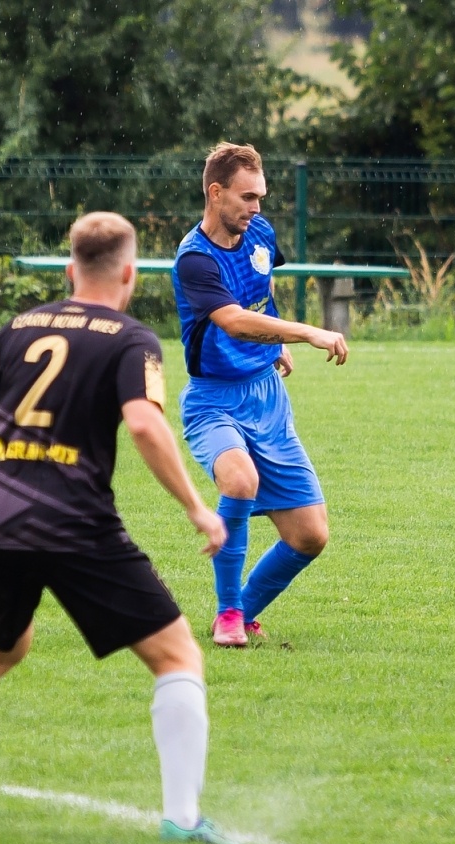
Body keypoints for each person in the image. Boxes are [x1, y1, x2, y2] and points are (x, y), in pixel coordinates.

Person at [0, 212, 232, 844]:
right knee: (177, 656)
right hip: (76, 523)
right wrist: (197, 508)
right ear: (129, 274)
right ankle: (182, 819)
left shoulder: (20, 327)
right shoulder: (131, 338)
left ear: (68, 270)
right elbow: (145, 424)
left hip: (2, 520)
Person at [172, 141, 349, 648]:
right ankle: (228, 613)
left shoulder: (260, 233)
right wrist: (306, 332)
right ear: (216, 192)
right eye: (247, 197)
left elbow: (260, 293)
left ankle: (244, 610)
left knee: (310, 536)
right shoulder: (195, 259)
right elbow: (232, 320)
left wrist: (274, 344)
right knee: (240, 479)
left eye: (261, 198)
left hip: (267, 399)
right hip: (214, 401)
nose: (256, 208)